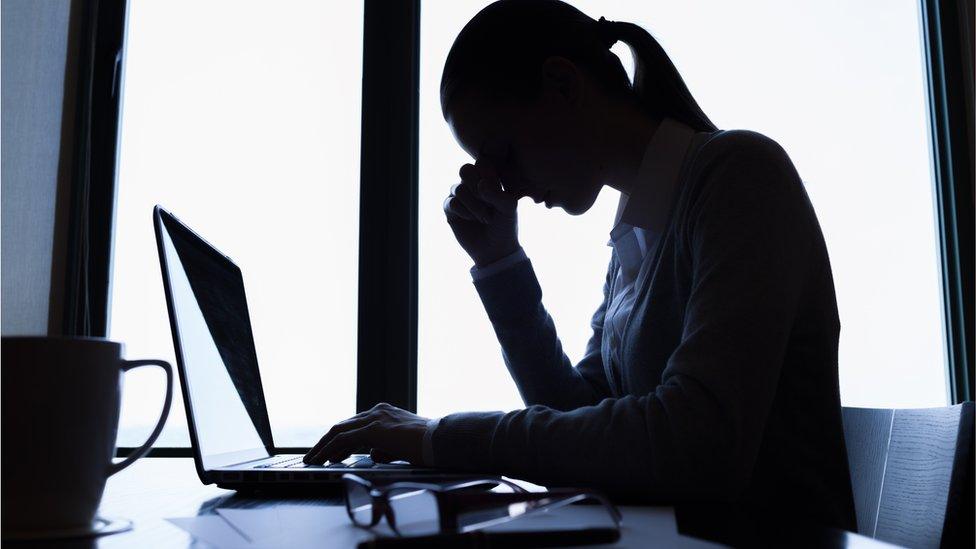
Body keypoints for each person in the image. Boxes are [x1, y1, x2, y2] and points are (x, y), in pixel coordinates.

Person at [305, 0, 857, 538]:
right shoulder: (636, 233)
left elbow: (697, 442)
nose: (506, 187)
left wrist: (438, 438)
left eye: (505, 154)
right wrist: (500, 266)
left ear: (564, 84)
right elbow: (582, 416)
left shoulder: (740, 177)